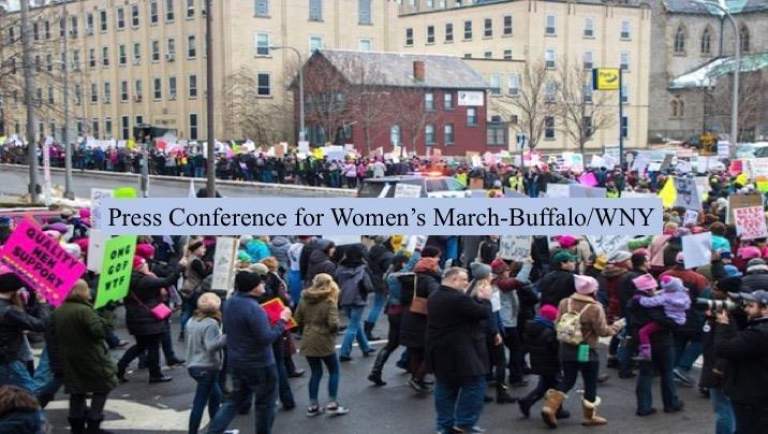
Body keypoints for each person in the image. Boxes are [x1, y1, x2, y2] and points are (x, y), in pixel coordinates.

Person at [206, 271, 292, 434]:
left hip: (237, 360)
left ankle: (214, 431)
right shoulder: (254, 309)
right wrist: (282, 320)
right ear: (252, 288)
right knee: (265, 404)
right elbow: (266, 338)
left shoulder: (230, 303)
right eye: (260, 284)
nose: (263, 285)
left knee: (234, 400)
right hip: (260, 363)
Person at [541, 275, 623, 428]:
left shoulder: (565, 302)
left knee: (568, 380)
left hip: (566, 348)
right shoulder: (594, 307)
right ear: (593, 291)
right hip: (585, 349)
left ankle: (550, 407)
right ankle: (589, 416)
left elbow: (557, 323)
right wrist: (617, 326)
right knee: (590, 382)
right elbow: (603, 331)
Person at [426, 267, 493, 434]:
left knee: (445, 386)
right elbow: (483, 313)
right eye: (464, 279)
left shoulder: (434, 296)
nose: (466, 282)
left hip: (438, 349)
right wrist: (485, 299)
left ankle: (444, 425)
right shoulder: (457, 299)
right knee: (475, 384)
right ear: (454, 279)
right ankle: (464, 423)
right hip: (460, 350)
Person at [51, 279, 117, 434]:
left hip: (70, 358)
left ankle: (76, 428)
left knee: (77, 392)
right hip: (91, 357)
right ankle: (94, 424)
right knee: (102, 388)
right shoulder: (84, 310)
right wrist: (107, 314)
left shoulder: (59, 311)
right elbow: (99, 332)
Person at [117, 256, 182, 384]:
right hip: (149, 319)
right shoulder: (144, 280)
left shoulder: (128, 279)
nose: (147, 265)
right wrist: (179, 269)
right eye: (144, 263)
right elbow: (167, 281)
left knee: (140, 346)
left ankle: (119, 368)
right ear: (139, 267)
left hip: (135, 318)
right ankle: (155, 374)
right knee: (152, 347)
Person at [294, 273, 350, 417]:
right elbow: (333, 324)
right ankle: (332, 404)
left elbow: (297, 319)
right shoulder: (329, 301)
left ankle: (313, 405)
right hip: (324, 339)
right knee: (333, 370)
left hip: (308, 337)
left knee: (315, 373)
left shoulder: (304, 299)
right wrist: (334, 331)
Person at [714, 289, 768, 434]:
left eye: (751, 306)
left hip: (751, 393)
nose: (746, 309)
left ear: (765, 309)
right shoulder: (756, 329)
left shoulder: (758, 334)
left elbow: (723, 349)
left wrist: (722, 325)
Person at [368, 250, 420, 386]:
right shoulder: (403, 276)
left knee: (392, 343)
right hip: (405, 312)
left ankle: (376, 370)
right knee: (413, 342)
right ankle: (415, 374)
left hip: (392, 311)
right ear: (403, 263)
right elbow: (412, 264)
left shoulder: (389, 275)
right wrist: (417, 251)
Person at [0, 269, 50, 392]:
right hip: (9, 359)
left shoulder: (7, 308)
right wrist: (42, 303)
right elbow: (41, 324)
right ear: (13, 291)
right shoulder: (8, 310)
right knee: (30, 394)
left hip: (6, 356)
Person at [400, 246, 442, 392]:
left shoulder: (411, 277)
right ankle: (418, 378)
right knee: (429, 352)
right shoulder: (430, 280)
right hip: (423, 318)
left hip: (408, 316)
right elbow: (435, 297)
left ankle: (416, 378)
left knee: (415, 351)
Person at [518, 305, 569, 420]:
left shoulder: (532, 327)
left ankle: (527, 402)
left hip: (538, 362)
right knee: (556, 387)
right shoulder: (549, 332)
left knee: (545, 385)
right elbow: (555, 350)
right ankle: (556, 410)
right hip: (550, 363)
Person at [185, 292, 226, 434]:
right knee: (200, 402)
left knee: (216, 396)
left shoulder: (192, 320)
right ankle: (194, 431)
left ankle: (216, 428)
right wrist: (226, 337)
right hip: (206, 367)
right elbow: (211, 346)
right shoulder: (212, 324)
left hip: (193, 364)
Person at [635, 276, 691, 360]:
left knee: (643, 332)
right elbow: (687, 307)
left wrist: (640, 299)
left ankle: (645, 352)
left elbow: (650, 302)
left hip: (667, 319)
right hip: (680, 320)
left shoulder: (665, 297)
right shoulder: (684, 295)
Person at [335, 244, 375, 361]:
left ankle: (365, 347)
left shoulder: (340, 268)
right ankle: (344, 352)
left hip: (344, 298)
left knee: (355, 324)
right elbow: (368, 285)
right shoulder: (363, 268)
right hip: (358, 298)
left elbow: (336, 280)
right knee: (353, 326)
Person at [180, 240, 212, 341]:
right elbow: (203, 274)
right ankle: (186, 331)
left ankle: (183, 331)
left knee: (187, 310)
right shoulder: (196, 261)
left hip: (187, 287)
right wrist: (211, 268)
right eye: (202, 248)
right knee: (191, 311)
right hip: (194, 288)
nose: (204, 250)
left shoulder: (191, 259)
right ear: (196, 249)